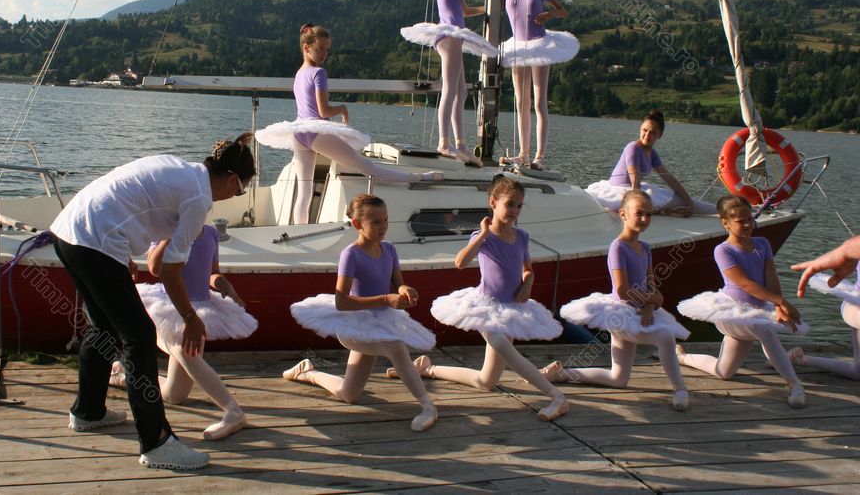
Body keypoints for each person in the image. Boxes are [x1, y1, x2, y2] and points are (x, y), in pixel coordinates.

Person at [49, 134, 256, 470]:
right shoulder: (199, 198)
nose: (234, 196)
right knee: (140, 337)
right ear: (233, 179)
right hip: (95, 239)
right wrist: (190, 318)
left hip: (70, 230)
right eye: (240, 190)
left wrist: (119, 256)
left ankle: (88, 411)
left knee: (103, 325)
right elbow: (170, 272)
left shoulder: (182, 170)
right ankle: (156, 442)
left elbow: (127, 200)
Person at [387, 175, 569, 421]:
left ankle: (427, 369)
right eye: (509, 204)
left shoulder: (521, 237)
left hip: (512, 308)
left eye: (519, 205)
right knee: (503, 346)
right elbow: (460, 262)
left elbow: (527, 270)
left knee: (487, 381)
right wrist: (483, 234)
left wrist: (528, 283)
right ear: (493, 203)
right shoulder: (484, 237)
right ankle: (556, 397)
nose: (514, 210)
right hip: (487, 308)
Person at [283, 194, 438, 432]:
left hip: (382, 322)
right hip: (356, 325)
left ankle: (307, 373)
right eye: (376, 222)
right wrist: (385, 299)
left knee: (349, 394)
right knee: (397, 348)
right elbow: (342, 302)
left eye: (385, 220)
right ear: (357, 224)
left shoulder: (389, 249)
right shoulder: (351, 254)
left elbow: (397, 283)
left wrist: (404, 289)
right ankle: (428, 406)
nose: (383, 227)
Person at [257, 23, 441, 224]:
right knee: (369, 168)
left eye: (327, 50)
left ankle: (297, 230)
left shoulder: (299, 74)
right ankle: (420, 178)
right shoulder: (319, 73)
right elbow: (323, 111)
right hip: (316, 131)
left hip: (299, 132)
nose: (324, 55)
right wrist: (342, 108)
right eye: (320, 49)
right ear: (306, 47)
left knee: (304, 190)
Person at [542, 190, 691, 411]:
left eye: (649, 214)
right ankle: (680, 389)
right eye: (639, 213)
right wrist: (653, 298)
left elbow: (650, 282)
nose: (644, 219)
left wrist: (650, 305)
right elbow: (622, 290)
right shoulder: (618, 247)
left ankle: (562, 373)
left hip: (640, 311)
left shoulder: (645, 247)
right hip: (622, 313)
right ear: (623, 214)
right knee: (666, 338)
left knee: (618, 379)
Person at [110, 224, 256, 440]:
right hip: (170, 307)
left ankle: (124, 374)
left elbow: (212, 272)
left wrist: (223, 284)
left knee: (174, 394)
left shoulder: (211, 233)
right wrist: (168, 238)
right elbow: (155, 268)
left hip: (200, 309)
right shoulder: (165, 229)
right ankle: (234, 412)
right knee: (187, 352)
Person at [676, 194, 807, 407]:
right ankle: (794, 385)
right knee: (764, 329)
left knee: (724, 371)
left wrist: (778, 305)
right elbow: (745, 284)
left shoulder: (762, 243)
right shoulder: (723, 250)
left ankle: (682, 358)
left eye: (750, 219)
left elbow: (771, 277)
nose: (747, 225)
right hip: (733, 312)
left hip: (757, 308)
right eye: (740, 221)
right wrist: (782, 302)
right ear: (725, 223)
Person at [401, 0, 519, 165]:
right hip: (449, 38)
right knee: (450, 90)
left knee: (461, 92)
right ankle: (444, 143)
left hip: (452, 38)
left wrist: (489, 9)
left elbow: (464, 11)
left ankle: (461, 144)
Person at [497, 0, 577, 171]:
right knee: (521, 102)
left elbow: (563, 11)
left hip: (540, 45)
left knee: (539, 103)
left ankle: (539, 157)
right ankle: (523, 154)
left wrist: (548, 15)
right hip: (519, 47)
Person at [585, 109, 714, 216]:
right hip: (621, 191)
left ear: (660, 135)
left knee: (682, 200)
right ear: (640, 129)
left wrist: (689, 201)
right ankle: (666, 211)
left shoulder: (652, 154)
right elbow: (634, 179)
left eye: (652, 132)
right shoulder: (633, 148)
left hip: (638, 187)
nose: (647, 135)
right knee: (668, 202)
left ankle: (718, 209)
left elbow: (669, 178)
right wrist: (636, 206)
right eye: (645, 130)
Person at [788, 236, 860, 379]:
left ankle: (797, 359)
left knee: (858, 371)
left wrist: (844, 252)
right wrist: (844, 252)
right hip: (855, 305)